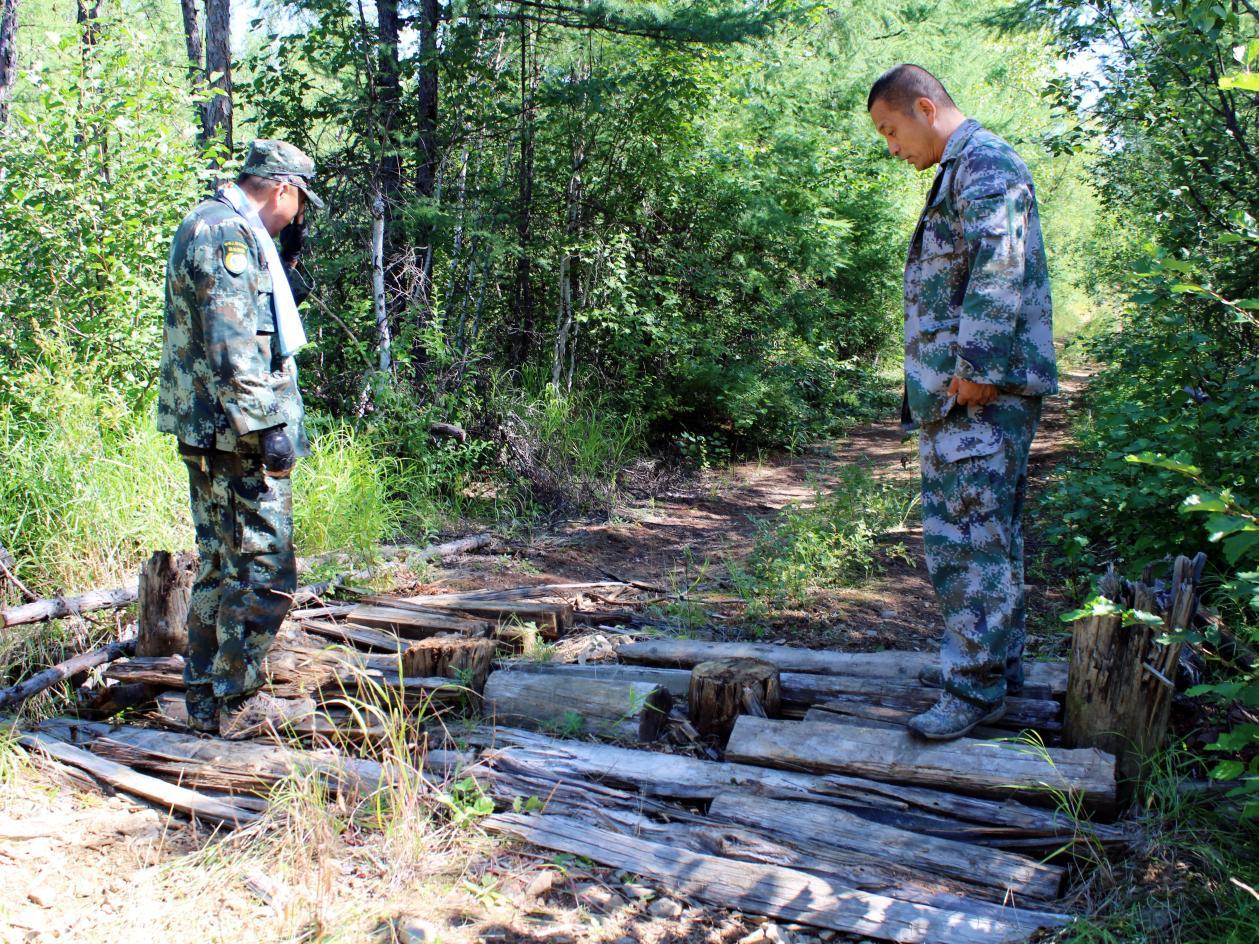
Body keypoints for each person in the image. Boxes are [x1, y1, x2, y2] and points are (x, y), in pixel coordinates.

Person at [867, 65, 1057, 740]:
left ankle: (973, 690)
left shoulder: (983, 164)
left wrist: (979, 363)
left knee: (968, 542)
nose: (892, 147)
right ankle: (996, 672)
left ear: (925, 108)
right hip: (962, 393)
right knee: (989, 537)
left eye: (891, 129)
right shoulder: (962, 168)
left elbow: (998, 263)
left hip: (976, 392)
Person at [157, 139, 324, 737]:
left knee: (221, 563)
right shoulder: (227, 234)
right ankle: (237, 702)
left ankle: (205, 699)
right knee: (263, 567)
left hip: (212, 429)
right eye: (299, 204)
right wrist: (268, 426)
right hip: (237, 435)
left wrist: (285, 266)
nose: (297, 217)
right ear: (282, 189)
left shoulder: (218, 223)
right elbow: (232, 344)